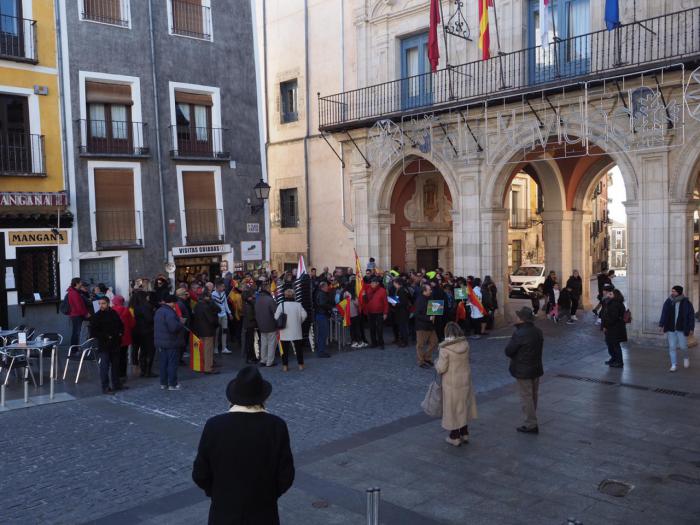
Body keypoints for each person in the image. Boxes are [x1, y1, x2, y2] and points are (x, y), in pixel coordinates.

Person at [192, 366, 295, 525]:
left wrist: (219, 493)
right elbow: (285, 476)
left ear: (231, 399)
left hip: (223, 513)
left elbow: (200, 474)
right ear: (263, 399)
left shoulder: (214, 426)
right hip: (264, 513)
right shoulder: (276, 426)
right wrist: (268, 495)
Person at [435, 322, 478, 447]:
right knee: (463, 405)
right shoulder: (465, 344)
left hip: (451, 383)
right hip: (465, 380)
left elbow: (441, 368)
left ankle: (454, 436)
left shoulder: (444, 349)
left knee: (453, 408)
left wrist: (436, 363)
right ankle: (464, 433)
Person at [505, 306, 544, 434]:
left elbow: (509, 351)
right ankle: (531, 419)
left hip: (523, 369)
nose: (515, 318)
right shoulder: (537, 331)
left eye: (518, 316)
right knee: (533, 395)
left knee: (526, 397)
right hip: (536, 367)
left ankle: (531, 423)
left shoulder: (519, 333)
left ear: (522, 319)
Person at [89, 296, 125, 395]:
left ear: (108, 304)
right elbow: (93, 332)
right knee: (104, 367)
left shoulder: (114, 313)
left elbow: (120, 325)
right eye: (100, 304)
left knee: (116, 365)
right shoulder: (96, 316)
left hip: (115, 343)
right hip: (104, 345)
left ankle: (116, 384)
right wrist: (106, 336)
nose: (101, 305)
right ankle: (105, 387)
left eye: (103, 303)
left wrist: (120, 333)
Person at [658, 285, 695, 372]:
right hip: (671, 328)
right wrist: (661, 324)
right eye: (672, 291)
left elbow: (691, 316)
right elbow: (664, 313)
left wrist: (691, 328)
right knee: (672, 347)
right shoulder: (669, 301)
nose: (672, 293)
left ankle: (686, 357)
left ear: (679, 292)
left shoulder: (686, 303)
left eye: (674, 291)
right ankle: (674, 365)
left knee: (683, 347)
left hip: (681, 328)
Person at [155, 294, 187, 390]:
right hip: (171, 342)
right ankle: (172, 384)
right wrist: (181, 323)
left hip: (161, 341)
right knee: (172, 363)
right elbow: (173, 328)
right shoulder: (170, 313)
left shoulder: (159, 311)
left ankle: (163, 383)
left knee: (163, 363)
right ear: (173, 302)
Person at [275, 289, 308, 372]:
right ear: (294, 295)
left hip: (284, 331)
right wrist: (299, 321)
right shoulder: (298, 305)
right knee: (298, 349)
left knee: (284, 351)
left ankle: (285, 366)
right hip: (296, 330)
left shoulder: (281, 305)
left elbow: (276, 317)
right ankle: (300, 365)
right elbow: (304, 315)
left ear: (285, 296)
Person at [192, 291, 221, 374]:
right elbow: (211, 319)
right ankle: (208, 368)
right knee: (208, 350)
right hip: (207, 330)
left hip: (199, 330)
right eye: (209, 297)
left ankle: (202, 366)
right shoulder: (206, 306)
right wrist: (216, 324)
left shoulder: (197, 305)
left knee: (202, 349)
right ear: (205, 297)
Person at [131, 291, 156, 378]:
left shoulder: (134, 307)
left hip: (138, 331)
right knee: (149, 351)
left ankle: (143, 370)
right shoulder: (145, 307)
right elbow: (149, 319)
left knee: (142, 351)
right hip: (147, 331)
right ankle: (148, 371)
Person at [600, 286, 627, 368]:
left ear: (615, 295)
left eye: (611, 294)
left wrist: (605, 326)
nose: (608, 295)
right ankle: (614, 359)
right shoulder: (611, 302)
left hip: (614, 328)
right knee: (610, 344)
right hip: (612, 328)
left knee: (615, 345)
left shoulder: (615, 304)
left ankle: (619, 362)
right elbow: (604, 313)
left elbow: (612, 318)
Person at [111, 295, 135, 383]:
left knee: (114, 356)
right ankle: (122, 374)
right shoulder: (127, 310)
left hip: (114, 337)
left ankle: (115, 374)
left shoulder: (110, 310)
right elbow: (132, 324)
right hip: (125, 337)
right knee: (123, 356)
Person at [415, 284, 438, 369]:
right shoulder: (419, 300)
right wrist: (428, 318)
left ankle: (427, 357)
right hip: (422, 326)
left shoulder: (430, 297)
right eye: (429, 290)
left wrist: (436, 310)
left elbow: (432, 308)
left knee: (434, 342)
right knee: (420, 345)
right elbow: (417, 315)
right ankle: (421, 361)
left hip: (430, 325)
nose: (431, 291)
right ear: (424, 291)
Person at [255, 284, 279, 367]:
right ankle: (269, 361)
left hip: (261, 324)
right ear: (267, 290)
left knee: (264, 343)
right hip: (270, 324)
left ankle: (263, 360)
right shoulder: (269, 300)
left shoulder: (257, 299)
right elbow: (276, 312)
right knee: (271, 343)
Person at [364, 277, 389, 349]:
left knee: (379, 329)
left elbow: (386, 303)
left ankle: (381, 343)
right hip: (370, 312)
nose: (371, 284)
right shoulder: (368, 290)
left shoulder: (382, 291)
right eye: (371, 283)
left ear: (377, 283)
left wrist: (385, 313)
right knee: (372, 328)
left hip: (379, 313)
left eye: (373, 283)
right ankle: (374, 343)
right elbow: (366, 301)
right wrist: (364, 296)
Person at [66, 277, 90, 346]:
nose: (81, 284)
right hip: (76, 315)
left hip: (76, 315)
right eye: (80, 282)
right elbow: (78, 305)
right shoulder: (74, 293)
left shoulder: (75, 291)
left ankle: (74, 349)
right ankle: (74, 349)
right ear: (77, 283)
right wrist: (86, 313)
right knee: (76, 333)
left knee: (76, 332)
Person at [212, 280, 233, 355]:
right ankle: (215, 348)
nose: (224, 287)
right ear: (218, 287)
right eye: (222, 286)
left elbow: (225, 304)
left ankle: (224, 348)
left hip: (224, 314)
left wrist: (229, 313)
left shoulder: (224, 293)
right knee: (216, 332)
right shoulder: (213, 294)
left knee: (224, 331)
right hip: (217, 315)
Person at [314, 281, 333, 358]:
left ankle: (321, 350)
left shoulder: (320, 293)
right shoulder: (322, 294)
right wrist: (330, 307)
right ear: (322, 287)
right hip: (321, 315)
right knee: (323, 334)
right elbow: (322, 304)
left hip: (321, 314)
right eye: (326, 286)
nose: (327, 288)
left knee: (321, 334)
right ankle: (321, 351)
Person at [393, 278, 412, 347]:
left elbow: (403, 302)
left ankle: (405, 341)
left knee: (403, 327)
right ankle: (403, 340)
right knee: (402, 327)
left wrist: (395, 304)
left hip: (403, 312)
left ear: (397, 283)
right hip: (401, 311)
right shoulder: (401, 289)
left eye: (394, 283)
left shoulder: (402, 290)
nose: (393, 284)